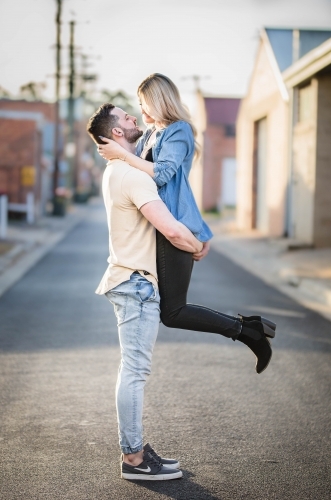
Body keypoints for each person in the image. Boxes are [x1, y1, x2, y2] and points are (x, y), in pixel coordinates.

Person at [97, 74, 275, 376]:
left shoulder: (178, 131)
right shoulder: (152, 134)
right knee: (170, 311)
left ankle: (248, 330)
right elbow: (167, 187)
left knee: (174, 311)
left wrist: (121, 155)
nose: (140, 110)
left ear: (157, 101)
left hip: (173, 227)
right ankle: (249, 329)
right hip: (164, 226)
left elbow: (164, 175)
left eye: (142, 103)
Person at [87, 103, 205, 481]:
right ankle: (134, 458)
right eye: (126, 117)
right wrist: (196, 243)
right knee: (135, 372)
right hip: (136, 282)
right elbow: (169, 228)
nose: (134, 119)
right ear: (116, 133)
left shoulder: (116, 170)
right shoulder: (132, 176)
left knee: (132, 370)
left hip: (130, 281)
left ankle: (134, 447)